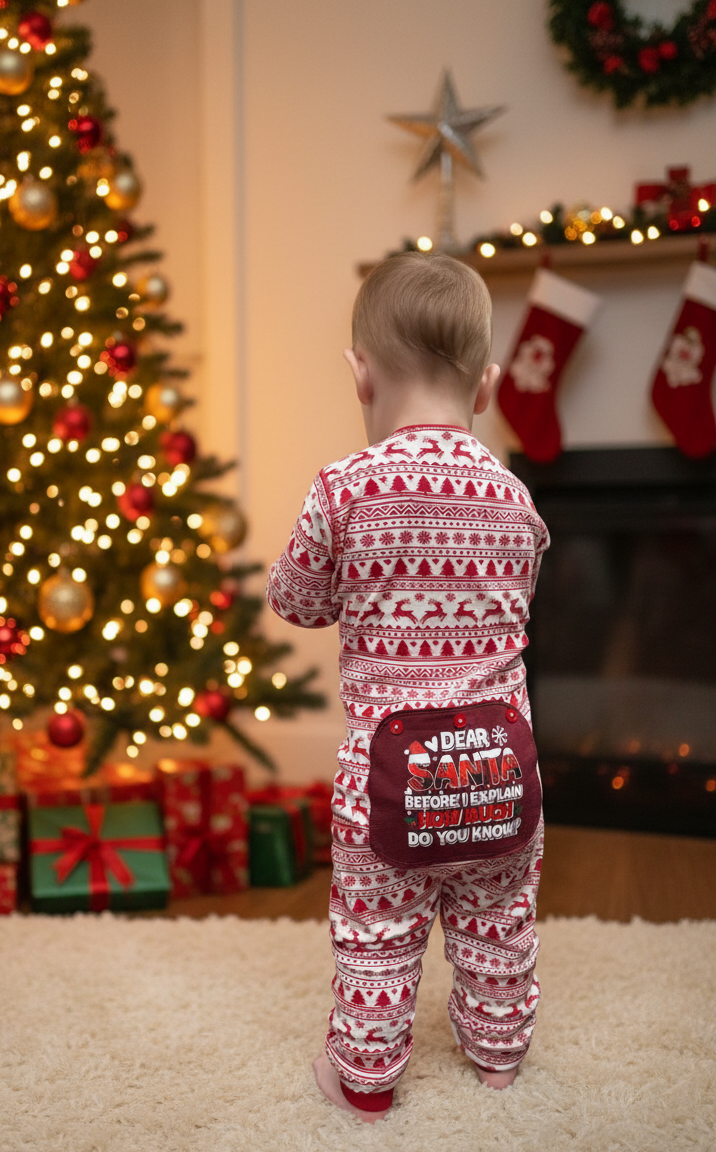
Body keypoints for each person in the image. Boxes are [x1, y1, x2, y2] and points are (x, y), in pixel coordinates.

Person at [266, 252, 550, 1124]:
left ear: (360, 374)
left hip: (389, 781)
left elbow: (294, 600)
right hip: (497, 769)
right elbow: (517, 600)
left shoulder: (345, 489)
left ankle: (364, 1078)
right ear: (488, 386)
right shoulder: (515, 497)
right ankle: (498, 1057)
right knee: (498, 918)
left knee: (377, 933)